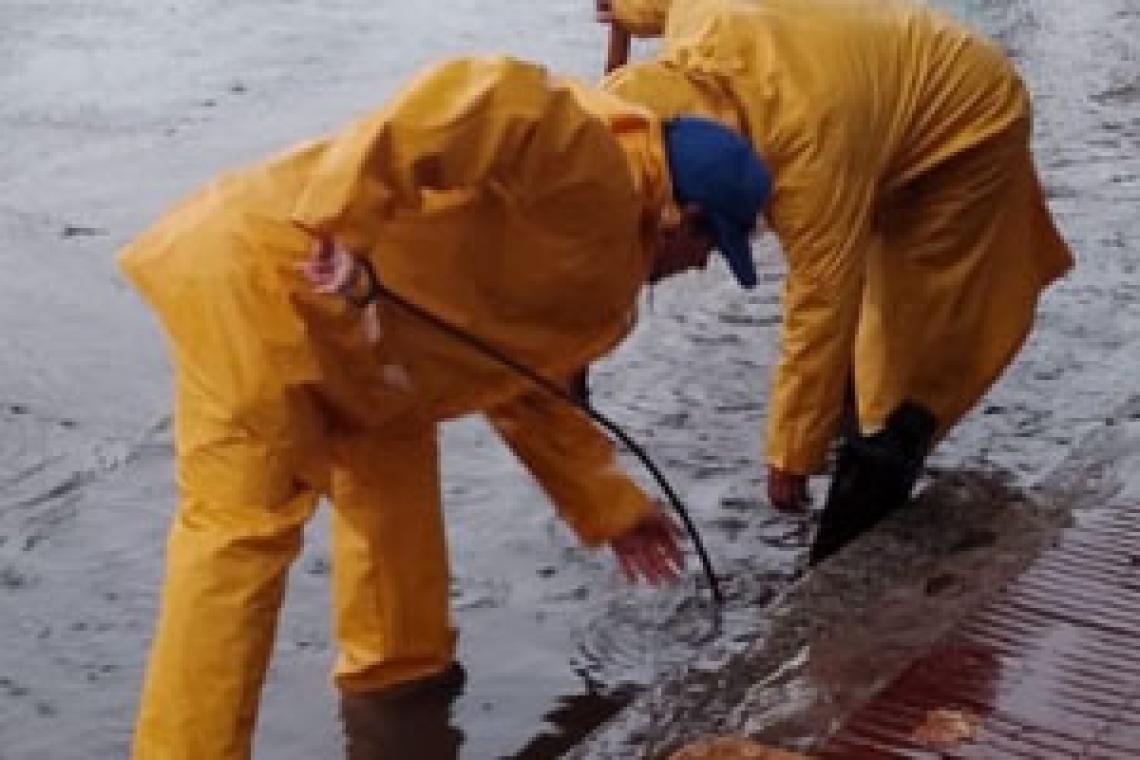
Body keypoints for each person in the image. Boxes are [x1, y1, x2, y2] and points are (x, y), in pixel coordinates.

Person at [119, 55, 772, 759]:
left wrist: (610, 506)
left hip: (371, 361)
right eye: (712, 247)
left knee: (395, 512)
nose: (702, 267)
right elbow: (486, 92)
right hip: (259, 282)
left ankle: (398, 704)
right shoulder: (599, 171)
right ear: (685, 216)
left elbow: (513, 376)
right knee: (240, 540)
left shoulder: (606, 257)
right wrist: (345, 224)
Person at [595, 0, 1074, 559]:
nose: (702, 264)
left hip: (964, 124)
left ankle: (860, 515)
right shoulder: (694, 33)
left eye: (706, 245)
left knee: (906, 367)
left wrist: (790, 456)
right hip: (869, 97)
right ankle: (844, 426)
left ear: (690, 210)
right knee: (849, 356)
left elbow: (821, 303)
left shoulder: (808, 160)